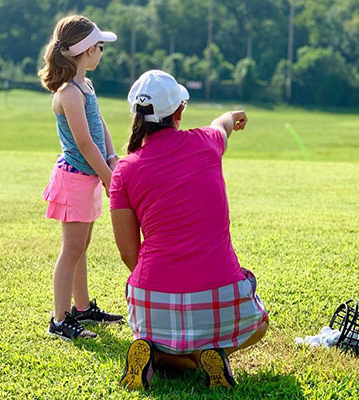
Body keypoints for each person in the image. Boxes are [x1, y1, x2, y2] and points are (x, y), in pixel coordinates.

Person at [110, 70, 269, 390]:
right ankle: (207, 354)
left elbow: (129, 253)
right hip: (219, 293)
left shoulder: (124, 170)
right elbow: (221, 125)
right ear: (179, 112)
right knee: (260, 326)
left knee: (157, 337)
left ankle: (157, 352)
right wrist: (231, 115)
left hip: (151, 300)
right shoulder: (206, 142)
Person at [38, 15, 123, 341]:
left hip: (86, 179)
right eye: (99, 46)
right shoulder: (69, 93)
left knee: (82, 245)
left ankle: (83, 307)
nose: (101, 52)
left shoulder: (85, 86)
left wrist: (113, 158)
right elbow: (85, 143)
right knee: (72, 249)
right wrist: (107, 177)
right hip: (75, 179)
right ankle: (59, 320)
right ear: (86, 50)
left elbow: (98, 126)